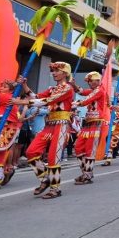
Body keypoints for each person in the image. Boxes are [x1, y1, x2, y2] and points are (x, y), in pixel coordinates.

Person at [11, 62, 75, 199]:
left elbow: (46, 101)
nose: (54, 73)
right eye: (53, 71)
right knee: (31, 152)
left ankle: (55, 188)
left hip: (62, 124)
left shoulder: (68, 88)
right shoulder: (53, 88)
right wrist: (24, 85)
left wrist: (23, 102)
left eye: (57, 71)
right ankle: (45, 179)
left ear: (65, 73)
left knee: (53, 157)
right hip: (49, 124)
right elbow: (37, 97)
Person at [71, 71, 108, 184]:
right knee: (78, 147)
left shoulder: (99, 90)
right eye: (89, 81)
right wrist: (73, 84)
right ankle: (86, 172)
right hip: (87, 123)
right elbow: (82, 92)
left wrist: (75, 104)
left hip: (96, 123)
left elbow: (87, 99)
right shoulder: (93, 91)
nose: (90, 83)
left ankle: (87, 175)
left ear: (98, 81)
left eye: (91, 81)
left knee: (89, 149)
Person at [0, 80, 21, 189]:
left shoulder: (6, 97)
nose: (1, 88)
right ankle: (4, 173)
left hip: (6, 129)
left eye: (4, 87)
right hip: (2, 128)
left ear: (10, 90)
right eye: (1, 86)